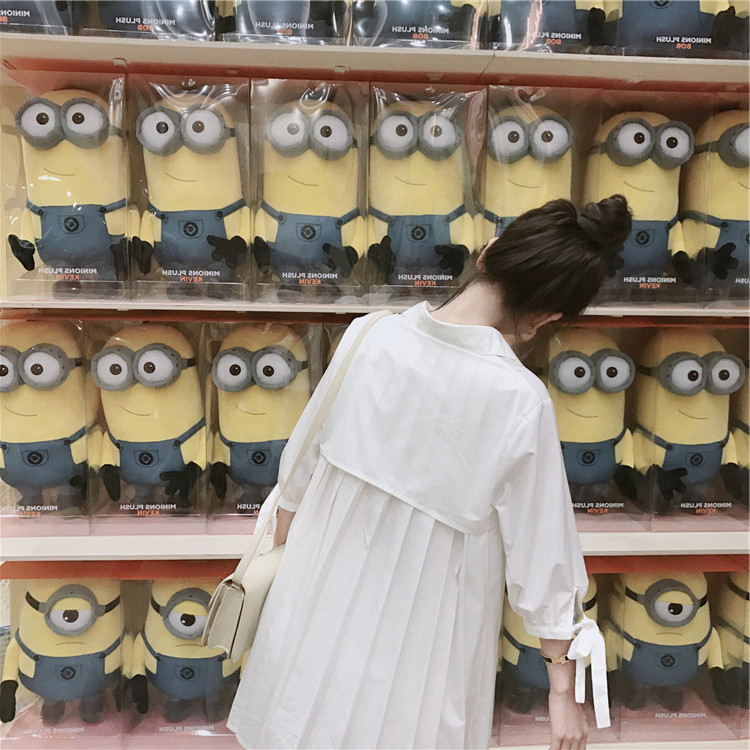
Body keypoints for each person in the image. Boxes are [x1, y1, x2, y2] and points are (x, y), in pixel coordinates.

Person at [227, 194, 632, 750]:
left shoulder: (370, 335)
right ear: (547, 316)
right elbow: (543, 555)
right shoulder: (519, 398)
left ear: (487, 252)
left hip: (319, 591)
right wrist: (562, 689)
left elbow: (299, 469)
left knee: (300, 723)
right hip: (429, 631)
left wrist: (286, 577)